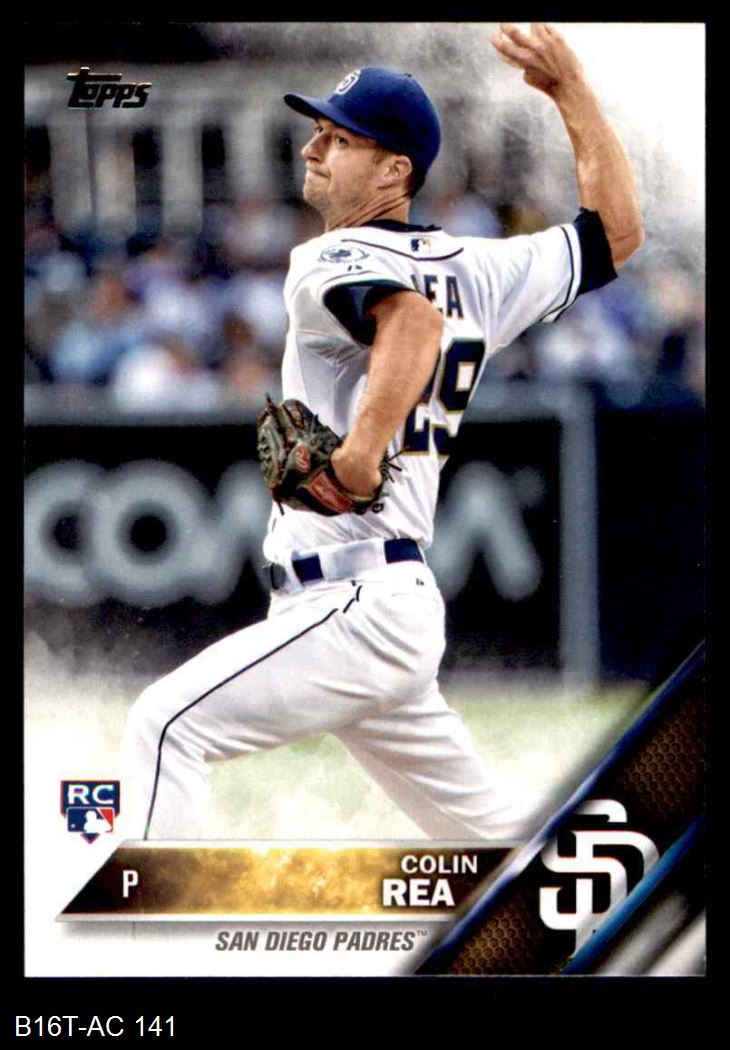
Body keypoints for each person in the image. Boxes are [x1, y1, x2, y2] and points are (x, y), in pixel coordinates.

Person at [119, 23, 642, 841]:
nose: (312, 149)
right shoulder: (481, 266)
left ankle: (140, 931)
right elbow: (615, 234)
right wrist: (571, 91)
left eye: (339, 138)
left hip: (354, 599)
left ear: (395, 169)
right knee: (499, 853)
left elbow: (413, 321)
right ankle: (619, 905)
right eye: (317, 131)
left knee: (166, 727)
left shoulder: (327, 259)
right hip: (383, 602)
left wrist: (362, 450)